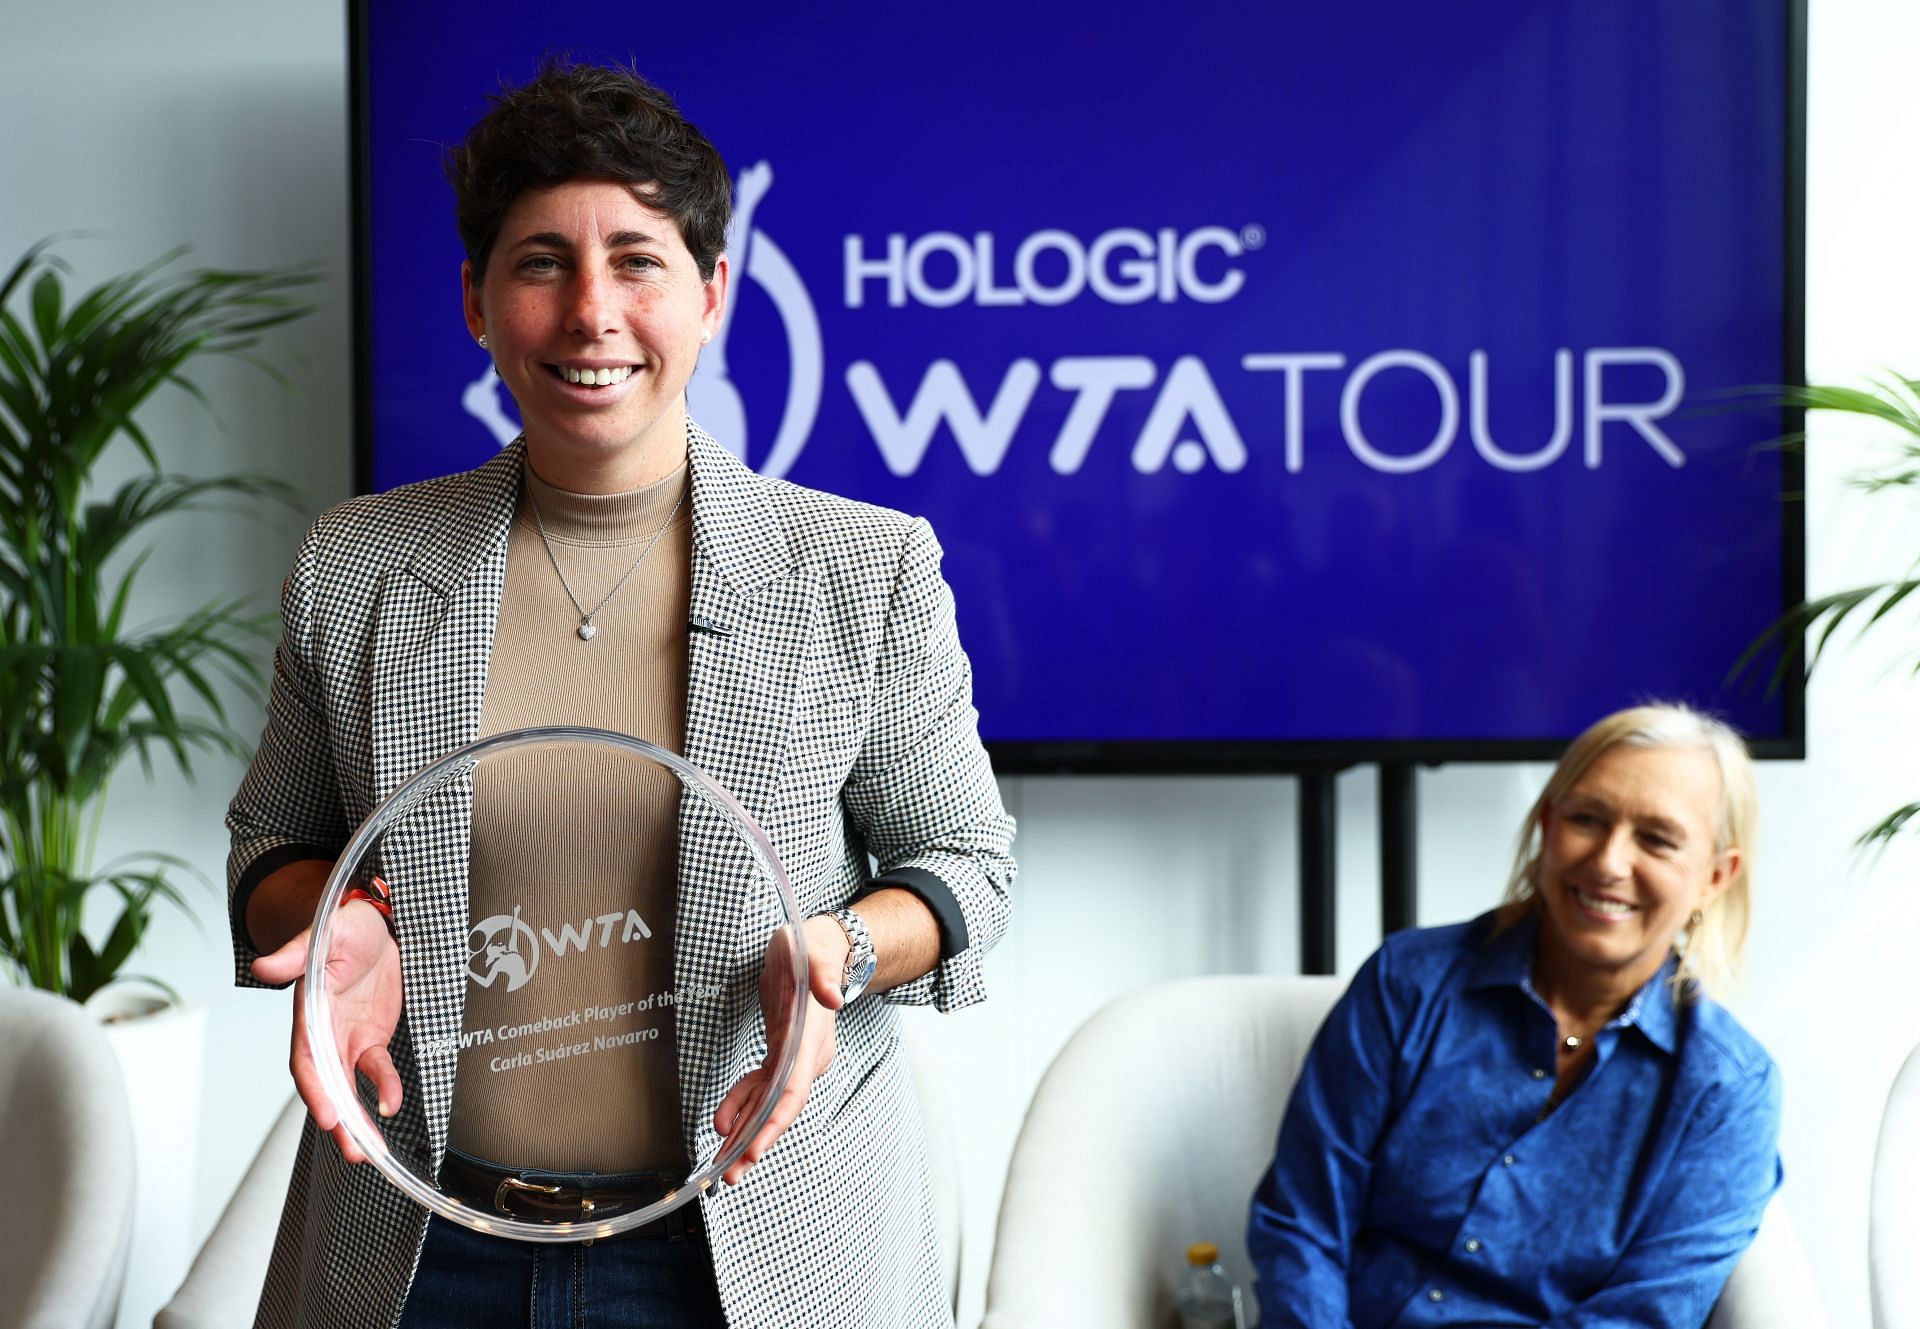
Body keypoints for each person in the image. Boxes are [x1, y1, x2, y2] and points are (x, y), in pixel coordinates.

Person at [225, 59, 1015, 1329]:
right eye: (539, 262)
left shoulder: (861, 566)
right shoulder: (360, 562)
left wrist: (835, 951)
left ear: (709, 295)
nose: (592, 310)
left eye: (638, 261)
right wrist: (345, 921)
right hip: (422, 1238)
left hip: (758, 1240)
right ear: (478, 304)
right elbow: (275, 842)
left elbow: (965, 866)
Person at [1247, 704, 1780, 1327]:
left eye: (1657, 840)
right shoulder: (1406, 983)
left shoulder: (1728, 1089)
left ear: (1715, 877)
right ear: (1547, 825)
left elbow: (1644, 1314)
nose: (1609, 862)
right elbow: (1302, 1225)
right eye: (1587, 819)